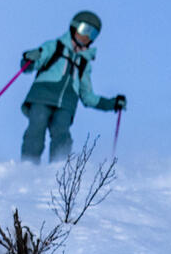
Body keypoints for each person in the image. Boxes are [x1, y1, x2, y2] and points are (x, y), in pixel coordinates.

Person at [20, 10, 126, 163]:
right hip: (42, 96)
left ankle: (59, 169)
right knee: (37, 127)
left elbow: (88, 96)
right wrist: (29, 58)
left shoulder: (84, 63)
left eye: (93, 34)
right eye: (85, 29)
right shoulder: (54, 46)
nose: (87, 36)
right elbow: (33, 63)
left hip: (66, 104)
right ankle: (28, 166)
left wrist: (112, 104)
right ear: (74, 28)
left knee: (61, 132)